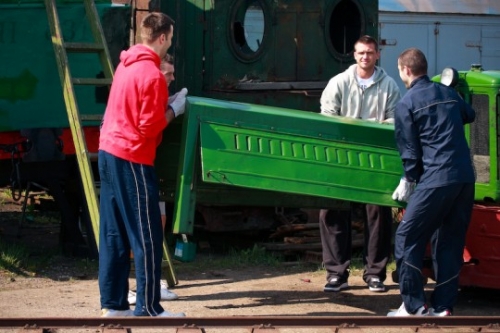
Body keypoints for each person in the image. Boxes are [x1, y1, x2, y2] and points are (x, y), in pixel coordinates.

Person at [98, 12, 188, 318]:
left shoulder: (125, 65)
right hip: (132, 158)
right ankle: (149, 307)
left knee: (114, 234)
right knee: (147, 235)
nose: (170, 43)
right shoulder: (152, 75)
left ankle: (113, 304)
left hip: (107, 152)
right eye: (171, 38)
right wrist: (174, 109)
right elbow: (149, 128)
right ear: (162, 38)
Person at [387, 48, 475, 317]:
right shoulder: (449, 94)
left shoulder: (406, 103)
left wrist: (408, 179)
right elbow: (469, 115)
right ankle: (443, 306)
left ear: (405, 70)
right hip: (464, 178)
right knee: (450, 241)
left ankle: (413, 305)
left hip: (436, 178)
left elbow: (410, 151)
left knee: (407, 236)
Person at [319, 35, 401, 293]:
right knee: (332, 210)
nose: (365, 57)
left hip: (375, 159)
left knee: (379, 213)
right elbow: (327, 115)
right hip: (341, 158)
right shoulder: (339, 82)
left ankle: (375, 274)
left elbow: (396, 119)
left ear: (377, 55)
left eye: (369, 52)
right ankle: (336, 274)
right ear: (354, 55)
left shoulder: (390, 86)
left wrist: (371, 130)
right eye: (360, 53)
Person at [126, 52, 179, 306]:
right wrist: (172, 110)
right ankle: (140, 288)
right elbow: (151, 126)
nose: (172, 78)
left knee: (157, 221)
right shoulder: (149, 85)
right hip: (137, 161)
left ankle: (153, 282)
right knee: (141, 227)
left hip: (150, 164)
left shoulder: (156, 90)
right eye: (168, 73)